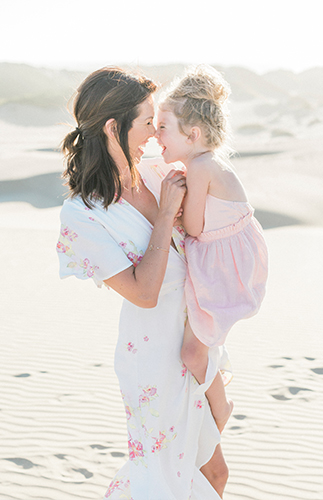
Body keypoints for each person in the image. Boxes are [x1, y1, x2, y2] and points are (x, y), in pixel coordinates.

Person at [56, 67, 231, 500]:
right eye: (147, 122)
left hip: (195, 342)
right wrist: (167, 211)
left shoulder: (156, 173)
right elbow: (144, 293)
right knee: (167, 483)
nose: (154, 134)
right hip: (153, 361)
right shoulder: (84, 215)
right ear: (113, 129)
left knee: (214, 474)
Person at [155, 65, 268, 434]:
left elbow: (195, 228)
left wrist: (172, 212)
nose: (157, 136)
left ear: (194, 133)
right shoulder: (204, 162)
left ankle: (220, 409)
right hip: (227, 260)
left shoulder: (201, 167)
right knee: (197, 345)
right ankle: (213, 398)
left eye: (162, 127)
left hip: (224, 267)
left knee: (192, 352)